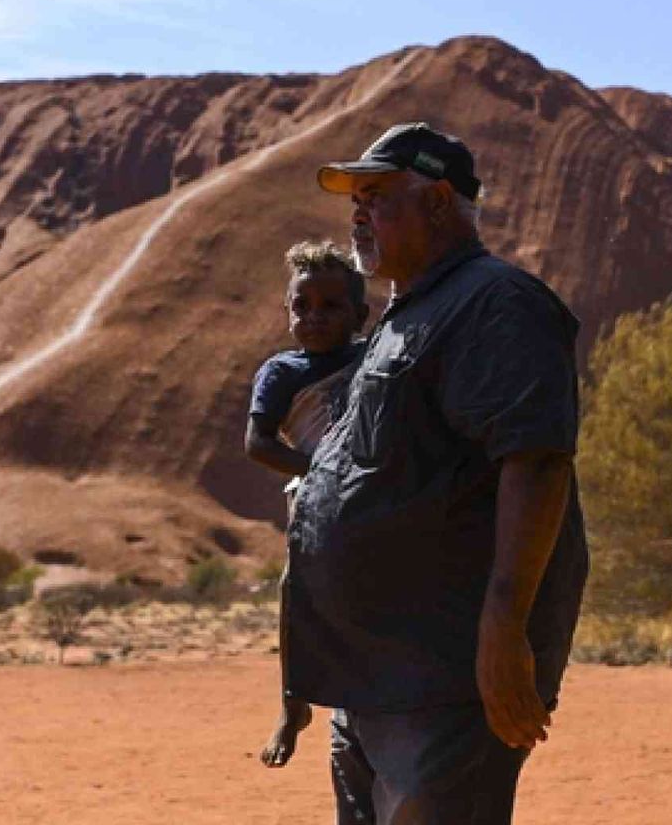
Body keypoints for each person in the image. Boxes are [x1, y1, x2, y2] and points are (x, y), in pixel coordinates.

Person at [287, 122, 589, 824]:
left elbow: (537, 463)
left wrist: (505, 631)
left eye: (378, 196)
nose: (358, 215)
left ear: (440, 201)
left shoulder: (496, 303)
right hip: (376, 679)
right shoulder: (405, 316)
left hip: (447, 679)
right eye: (354, 201)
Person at [244, 241, 369, 771]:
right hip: (315, 494)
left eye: (330, 306)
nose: (313, 317)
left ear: (360, 315)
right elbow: (259, 443)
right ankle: (293, 703)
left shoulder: (374, 355)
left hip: (376, 488)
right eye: (302, 307)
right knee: (296, 590)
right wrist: (318, 472)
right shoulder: (282, 372)